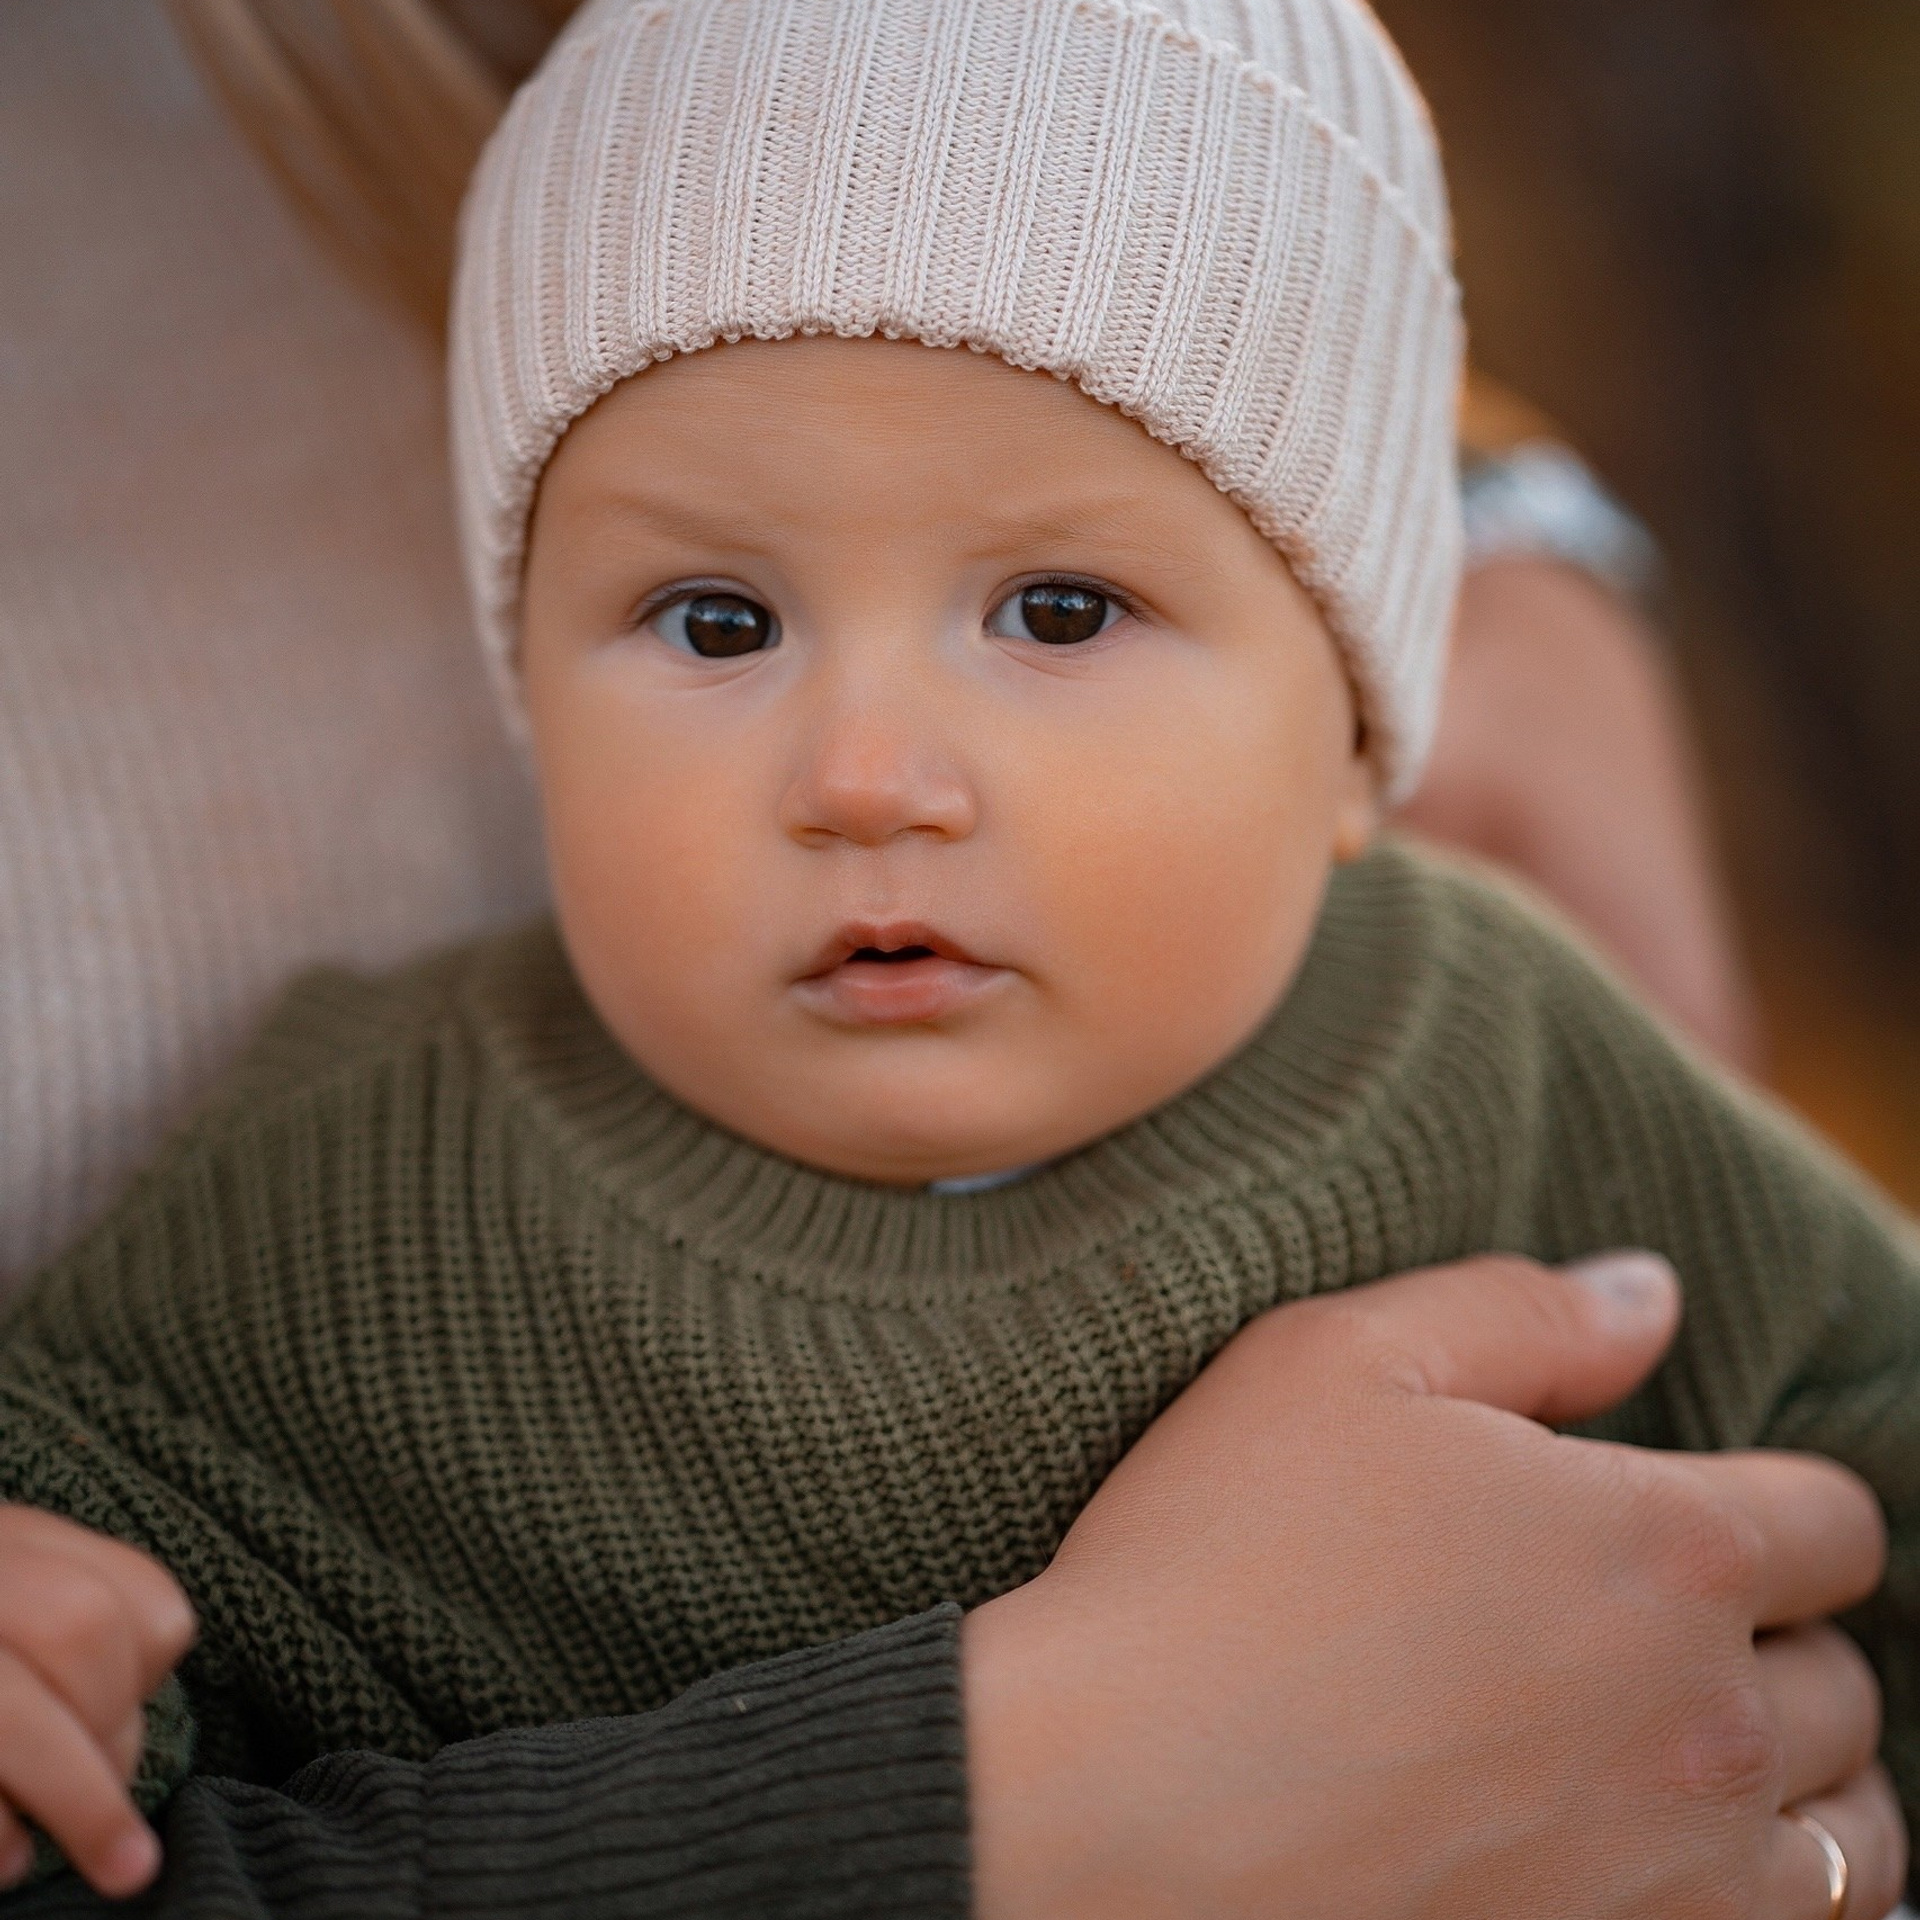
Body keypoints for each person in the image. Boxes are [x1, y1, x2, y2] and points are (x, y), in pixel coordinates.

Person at [0, 3, 1909, 1917]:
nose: (861, 778)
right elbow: (87, 1648)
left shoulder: (1493, 1033)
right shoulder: (344, 1208)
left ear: (1352, 730)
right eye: (717, 618)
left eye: (1058, 610)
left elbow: (1872, 1437)